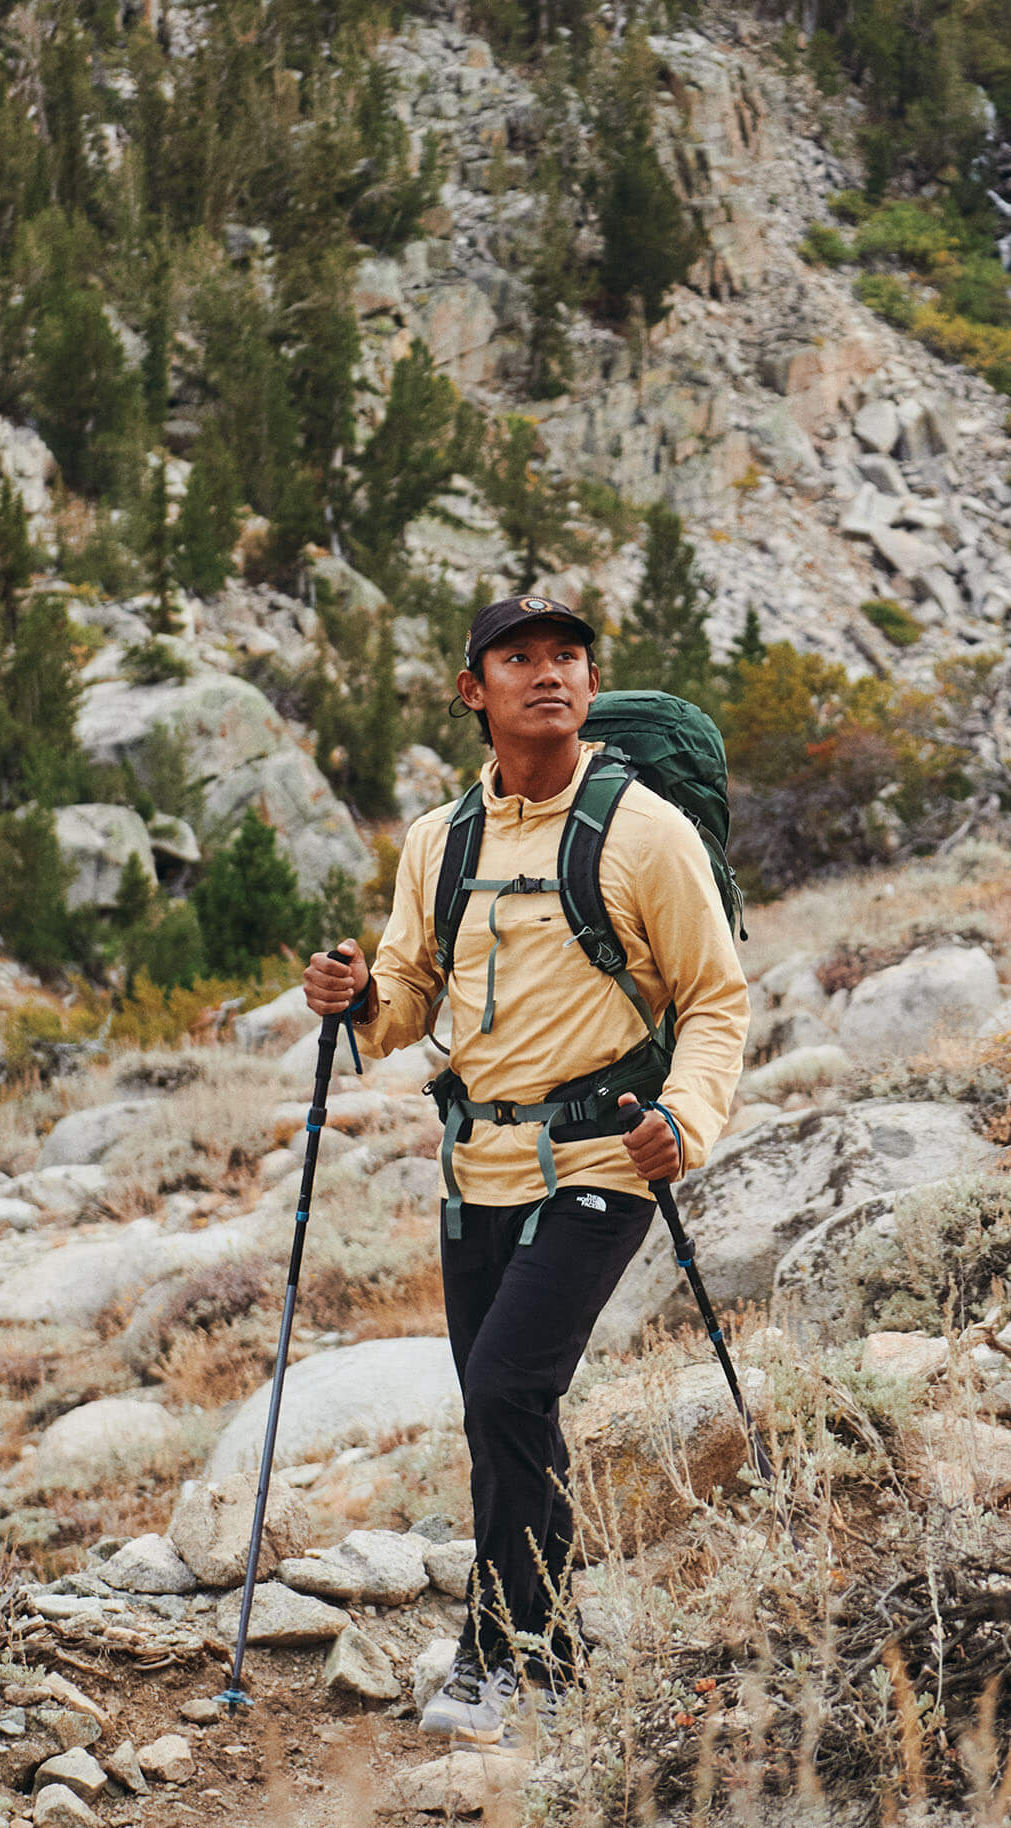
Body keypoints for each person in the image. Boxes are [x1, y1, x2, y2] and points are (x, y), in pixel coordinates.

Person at [302, 595, 748, 1741]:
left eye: (567, 657)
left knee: (506, 1386)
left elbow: (712, 1000)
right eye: (518, 658)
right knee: (507, 1408)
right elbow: (408, 998)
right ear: (474, 691)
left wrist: (684, 1124)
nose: (547, 674)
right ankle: (552, 1644)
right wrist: (360, 1000)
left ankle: (491, 1653)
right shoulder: (439, 841)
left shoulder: (646, 831)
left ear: (590, 686)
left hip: (605, 1153)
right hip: (478, 1167)